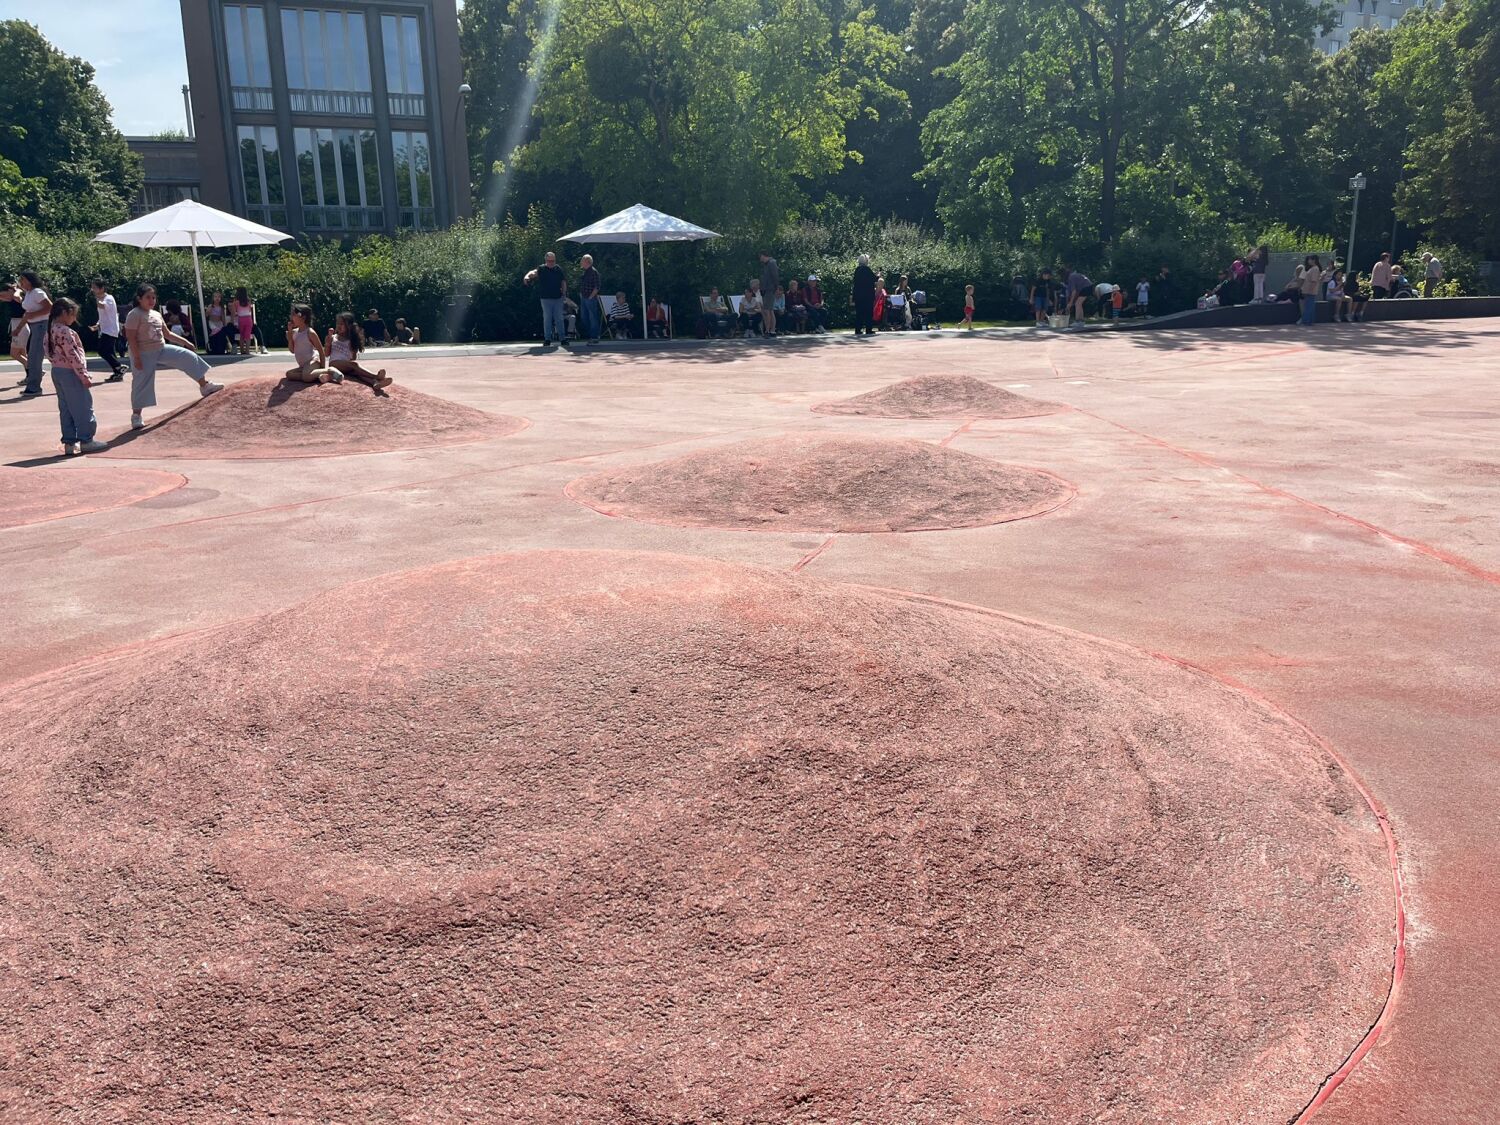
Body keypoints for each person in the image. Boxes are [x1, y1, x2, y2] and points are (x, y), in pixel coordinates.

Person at [125, 283, 222, 429]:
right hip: (143, 352)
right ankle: (136, 416)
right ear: (139, 299)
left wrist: (186, 343)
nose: (152, 300)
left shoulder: (156, 314)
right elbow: (131, 338)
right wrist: (137, 358)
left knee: (187, 356)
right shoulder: (134, 314)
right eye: (148, 297)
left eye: (154, 297)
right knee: (142, 381)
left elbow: (168, 334)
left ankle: (205, 386)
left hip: (161, 348)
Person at [44, 298, 109, 454]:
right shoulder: (66, 332)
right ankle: (87, 440)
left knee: (66, 408)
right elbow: (73, 356)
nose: (75, 319)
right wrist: (83, 375)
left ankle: (69, 442)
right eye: (73, 315)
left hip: (57, 371)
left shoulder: (50, 329)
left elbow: (48, 352)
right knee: (83, 406)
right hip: (70, 372)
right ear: (65, 313)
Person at [327, 312, 392, 388]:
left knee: (359, 373)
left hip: (346, 366)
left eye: (342, 324)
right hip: (334, 364)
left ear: (349, 326)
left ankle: (375, 383)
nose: (338, 326)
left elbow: (353, 358)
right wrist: (328, 343)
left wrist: (351, 350)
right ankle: (376, 376)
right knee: (355, 365)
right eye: (337, 323)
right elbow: (326, 354)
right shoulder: (332, 338)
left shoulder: (352, 339)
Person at [86, 279, 129, 381]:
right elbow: (104, 315)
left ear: (102, 288)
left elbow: (103, 306)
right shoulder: (102, 299)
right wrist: (97, 325)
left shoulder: (108, 298)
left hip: (110, 330)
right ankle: (118, 372)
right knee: (110, 352)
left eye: (95, 288)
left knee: (102, 350)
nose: (92, 290)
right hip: (106, 329)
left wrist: (97, 298)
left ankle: (119, 366)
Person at [17, 271, 52, 397]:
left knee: (35, 357)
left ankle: (34, 387)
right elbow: (28, 313)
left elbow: (49, 307)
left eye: (23, 280)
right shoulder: (29, 293)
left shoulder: (37, 292)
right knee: (34, 356)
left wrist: (33, 315)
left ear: (30, 280)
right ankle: (33, 386)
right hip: (35, 326)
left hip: (42, 325)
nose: (21, 282)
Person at [524, 252, 568, 346]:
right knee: (547, 318)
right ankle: (547, 339)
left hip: (558, 298)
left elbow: (563, 281)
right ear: (546, 260)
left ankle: (563, 339)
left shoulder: (558, 269)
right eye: (549, 261)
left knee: (559, 318)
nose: (551, 263)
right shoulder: (542, 268)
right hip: (545, 298)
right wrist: (527, 276)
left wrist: (564, 294)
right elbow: (533, 272)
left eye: (553, 261)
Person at [284, 304, 336, 384]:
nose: (291, 317)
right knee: (289, 374)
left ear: (303, 317)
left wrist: (322, 367)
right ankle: (318, 376)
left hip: (313, 361)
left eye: (294, 315)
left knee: (306, 377)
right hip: (303, 366)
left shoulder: (310, 332)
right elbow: (292, 351)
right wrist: (290, 337)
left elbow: (320, 350)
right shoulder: (294, 332)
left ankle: (329, 370)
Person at [577, 253, 602, 343]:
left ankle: (594, 336)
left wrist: (591, 296)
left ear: (587, 261)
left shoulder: (594, 272)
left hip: (590, 298)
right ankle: (589, 335)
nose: (581, 262)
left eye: (582, 260)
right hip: (584, 298)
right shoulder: (585, 272)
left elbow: (597, 286)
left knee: (593, 317)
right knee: (584, 317)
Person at [232, 288, 265, 354]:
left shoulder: (236, 302)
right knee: (247, 335)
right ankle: (247, 351)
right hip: (248, 319)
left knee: (242, 335)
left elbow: (234, 313)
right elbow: (249, 310)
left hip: (241, 319)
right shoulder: (248, 301)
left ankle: (242, 350)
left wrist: (234, 321)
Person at [2, 279, 25, 367]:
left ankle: (33, 369)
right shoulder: (11, 299)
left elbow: (16, 297)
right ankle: (31, 375)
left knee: (14, 353)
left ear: (10, 291)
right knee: (23, 353)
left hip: (20, 325)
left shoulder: (19, 296)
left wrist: (18, 289)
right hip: (17, 324)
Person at [851, 254, 876, 336]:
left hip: (858, 295)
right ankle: (868, 329)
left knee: (859, 313)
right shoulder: (867, 269)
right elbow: (874, 279)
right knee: (868, 312)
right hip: (867, 295)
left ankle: (858, 329)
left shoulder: (857, 270)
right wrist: (878, 275)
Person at [205, 290, 234, 355]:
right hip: (212, 322)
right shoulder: (211, 306)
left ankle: (223, 346)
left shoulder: (221, 307)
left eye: (219, 297)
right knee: (215, 330)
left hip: (219, 322)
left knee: (221, 330)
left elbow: (223, 316)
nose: (217, 298)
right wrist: (209, 311)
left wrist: (224, 324)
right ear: (213, 298)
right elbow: (206, 315)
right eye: (215, 297)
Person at [1297, 255, 1324, 326]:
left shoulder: (1315, 269)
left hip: (1310, 291)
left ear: (1313, 260)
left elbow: (1314, 281)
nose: (1308, 261)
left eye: (1310, 260)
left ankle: (1307, 321)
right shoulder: (1312, 268)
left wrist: (1310, 290)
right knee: (1309, 306)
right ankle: (1308, 321)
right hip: (1308, 290)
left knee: (1309, 307)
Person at [758, 251, 779, 336]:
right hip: (766, 289)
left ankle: (768, 330)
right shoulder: (767, 264)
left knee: (767, 310)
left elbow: (775, 276)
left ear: (764, 255)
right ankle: (772, 330)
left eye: (760, 257)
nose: (760, 259)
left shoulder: (771, 263)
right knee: (770, 310)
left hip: (770, 289)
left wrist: (776, 287)